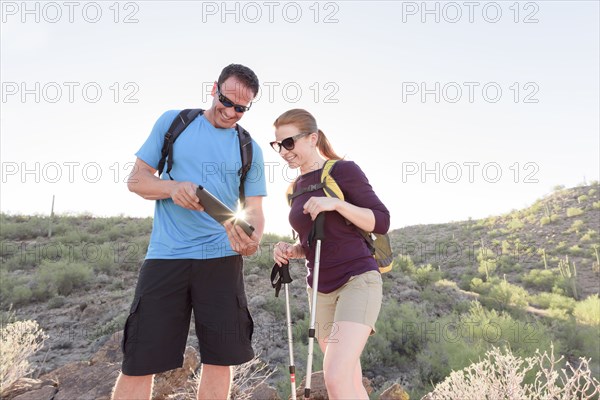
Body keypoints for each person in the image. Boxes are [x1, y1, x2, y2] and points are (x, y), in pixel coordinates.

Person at [111, 64, 266, 400]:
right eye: (227, 101)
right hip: (167, 256)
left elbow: (255, 210)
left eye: (242, 108)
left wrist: (253, 241)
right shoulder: (174, 123)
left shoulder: (249, 148)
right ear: (214, 89)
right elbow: (136, 180)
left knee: (220, 359)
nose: (231, 112)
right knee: (140, 359)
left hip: (222, 260)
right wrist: (172, 187)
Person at [271, 109, 390, 399]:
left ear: (312, 138)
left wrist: (335, 204)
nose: (283, 152)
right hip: (319, 291)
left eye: (289, 143)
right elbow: (312, 244)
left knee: (334, 377)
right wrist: (291, 251)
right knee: (350, 379)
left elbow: (381, 220)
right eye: (277, 145)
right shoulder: (294, 190)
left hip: (357, 280)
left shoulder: (343, 171)